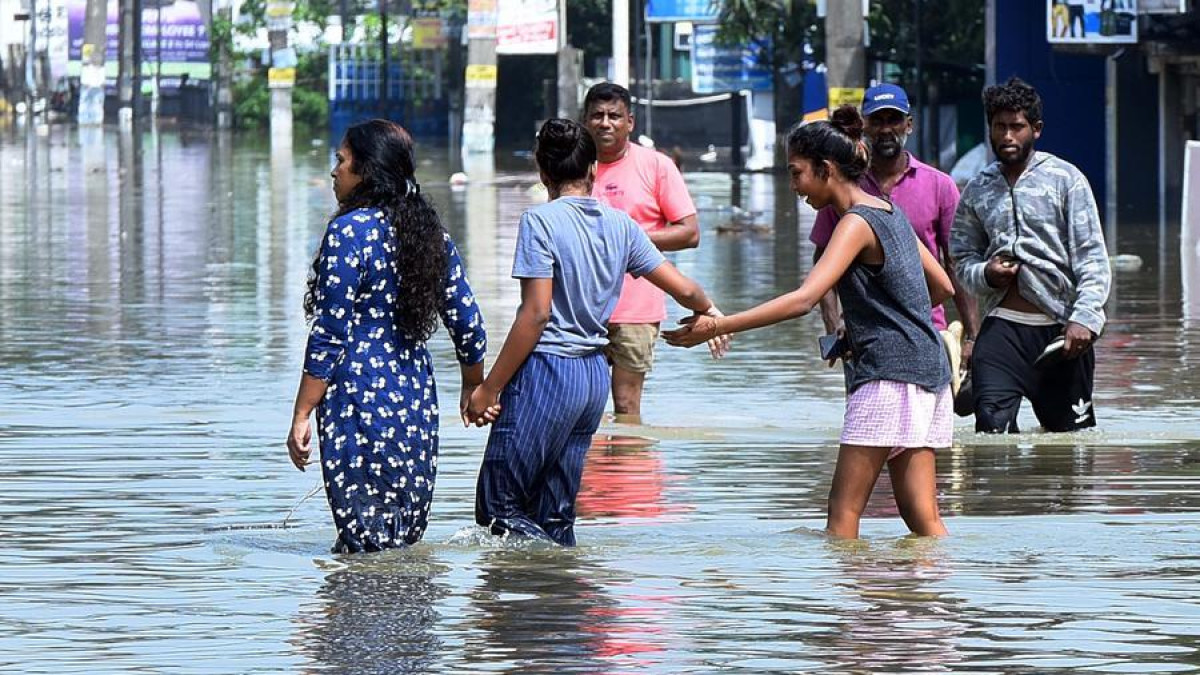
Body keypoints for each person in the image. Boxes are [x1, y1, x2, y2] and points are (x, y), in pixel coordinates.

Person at [665, 106, 954, 539]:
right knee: (924, 519)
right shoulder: (890, 211)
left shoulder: (855, 223)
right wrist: (883, 319)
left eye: (796, 173)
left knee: (842, 517)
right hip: (929, 372)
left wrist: (718, 326)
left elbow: (804, 300)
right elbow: (942, 286)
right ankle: (946, 585)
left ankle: (843, 589)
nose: (794, 186)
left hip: (887, 377)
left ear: (827, 169)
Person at [465, 118, 719, 546]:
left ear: (542, 171)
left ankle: (535, 583)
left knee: (498, 509)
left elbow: (536, 314)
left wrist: (489, 388)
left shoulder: (539, 222)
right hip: (592, 377)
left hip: (549, 371)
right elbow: (686, 290)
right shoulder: (621, 225)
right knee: (556, 515)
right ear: (593, 169)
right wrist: (711, 313)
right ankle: (564, 584)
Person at [286, 119, 487, 553]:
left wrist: (301, 413)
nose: (334, 171)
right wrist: (473, 385)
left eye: (341, 161)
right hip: (415, 402)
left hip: (357, 399)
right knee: (401, 541)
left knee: (362, 542)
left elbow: (330, 334)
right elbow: (468, 323)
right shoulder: (431, 235)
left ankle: (353, 599)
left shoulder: (348, 232)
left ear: (366, 171)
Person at [950, 77, 1111, 433]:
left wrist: (1084, 318)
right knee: (992, 432)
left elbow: (1093, 260)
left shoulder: (1067, 180)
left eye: (1017, 126)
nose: (1008, 136)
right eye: (999, 126)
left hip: (1061, 335)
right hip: (1001, 331)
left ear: (1036, 129)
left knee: (1072, 443)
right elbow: (960, 258)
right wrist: (986, 274)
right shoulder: (977, 189)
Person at [810, 83, 979, 380]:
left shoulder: (939, 185)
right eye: (877, 120)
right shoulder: (844, 188)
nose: (886, 129)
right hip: (863, 338)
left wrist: (973, 337)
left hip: (926, 331)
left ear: (908, 125)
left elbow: (954, 265)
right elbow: (823, 266)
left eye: (894, 120)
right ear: (864, 126)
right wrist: (834, 327)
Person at [582, 82, 726, 423]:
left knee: (626, 408)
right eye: (597, 116)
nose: (605, 123)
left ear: (630, 122)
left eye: (614, 116)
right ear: (585, 121)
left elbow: (689, 232)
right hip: (580, 308)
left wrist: (630, 240)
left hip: (636, 308)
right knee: (581, 408)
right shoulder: (574, 166)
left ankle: (630, 459)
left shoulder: (656, 165)